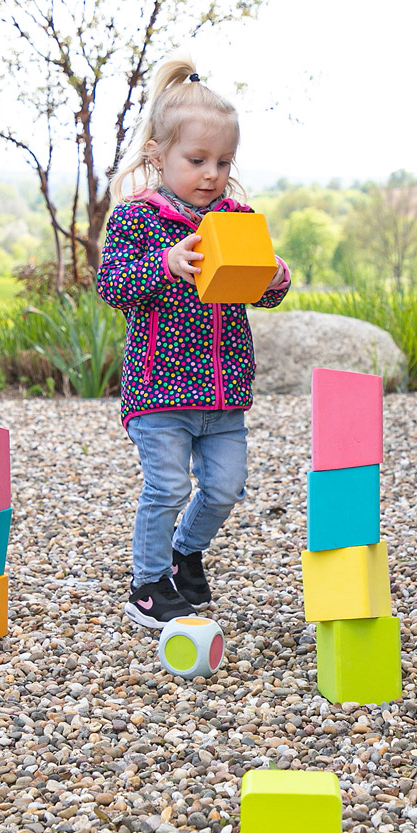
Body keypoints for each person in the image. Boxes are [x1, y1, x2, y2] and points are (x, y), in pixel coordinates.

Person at [96, 53, 291, 629]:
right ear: (159, 155)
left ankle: (185, 552)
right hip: (159, 391)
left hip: (223, 390)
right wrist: (164, 264)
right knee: (166, 486)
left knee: (226, 488)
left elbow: (260, 292)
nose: (212, 173)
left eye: (223, 162)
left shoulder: (237, 217)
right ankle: (148, 584)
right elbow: (112, 284)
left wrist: (275, 277)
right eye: (197, 159)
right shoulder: (139, 218)